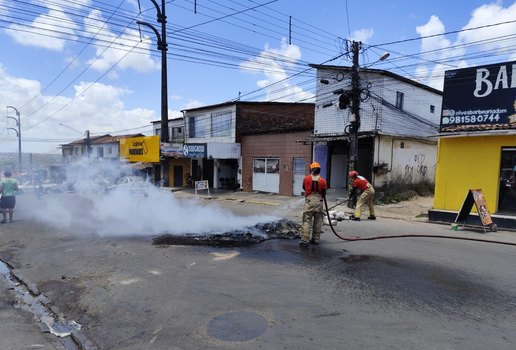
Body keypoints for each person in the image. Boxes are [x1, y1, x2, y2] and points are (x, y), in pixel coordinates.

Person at [299, 162, 328, 248]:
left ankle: (305, 240)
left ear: (311, 169)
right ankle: (316, 239)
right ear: (319, 170)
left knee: (307, 220)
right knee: (318, 221)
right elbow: (324, 192)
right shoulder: (323, 180)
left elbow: (304, 187)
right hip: (319, 201)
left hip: (309, 200)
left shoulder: (306, 178)